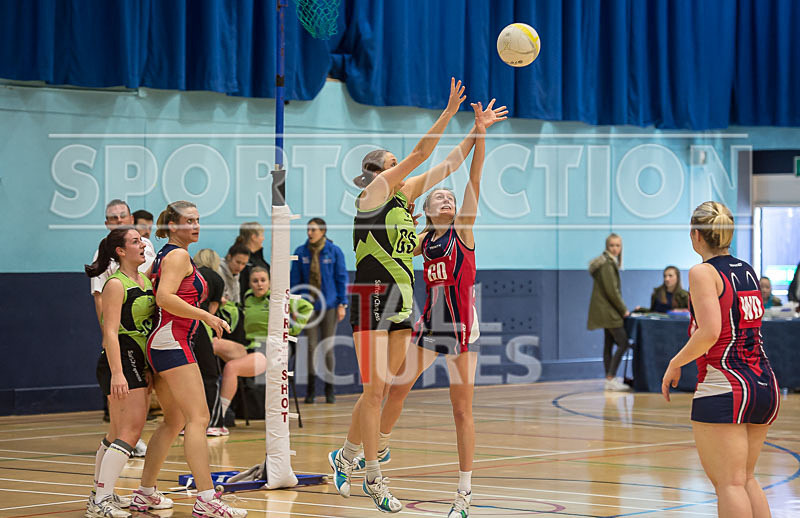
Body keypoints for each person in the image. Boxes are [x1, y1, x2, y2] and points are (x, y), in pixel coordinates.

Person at [327, 78, 507, 513]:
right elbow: (424, 154)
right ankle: (373, 474)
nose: (402, 167)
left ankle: (349, 454)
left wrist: (476, 129)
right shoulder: (372, 196)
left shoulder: (411, 208)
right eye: (394, 163)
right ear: (378, 172)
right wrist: (448, 112)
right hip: (373, 294)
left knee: (385, 389)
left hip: (405, 303)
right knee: (377, 393)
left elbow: (449, 164)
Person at [662, 201, 780, 518]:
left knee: (729, 484)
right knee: (745, 479)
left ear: (695, 235)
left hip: (726, 382)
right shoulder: (747, 270)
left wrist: (675, 363)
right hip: (763, 381)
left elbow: (710, 332)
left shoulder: (702, 272)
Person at [133, 201, 247, 517]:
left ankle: (145, 492)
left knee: (174, 420)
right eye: (188, 221)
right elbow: (164, 298)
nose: (195, 226)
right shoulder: (178, 255)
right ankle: (207, 498)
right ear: (171, 225)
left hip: (166, 341)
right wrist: (206, 317)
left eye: (198, 220)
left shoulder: (170, 254)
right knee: (199, 418)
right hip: (172, 341)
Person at [84, 228, 166, 518]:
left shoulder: (143, 279)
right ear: (120, 251)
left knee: (116, 432)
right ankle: (100, 502)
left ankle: (100, 493)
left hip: (136, 360)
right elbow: (110, 330)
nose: (143, 244)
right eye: (135, 241)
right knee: (130, 432)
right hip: (119, 359)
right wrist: (118, 373)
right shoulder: (115, 285)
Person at [90, 200, 154, 449]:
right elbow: (100, 300)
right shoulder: (106, 260)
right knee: (119, 393)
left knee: (142, 395)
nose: (118, 220)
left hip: (144, 337)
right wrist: (108, 337)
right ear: (107, 223)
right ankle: (123, 439)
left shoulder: (145, 248)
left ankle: (103, 484)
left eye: (122, 216)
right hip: (123, 337)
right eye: (113, 218)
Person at [218, 267, 313, 417]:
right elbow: (234, 309)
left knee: (231, 368)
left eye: (263, 280)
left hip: (269, 349)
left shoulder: (277, 299)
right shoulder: (247, 297)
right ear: (249, 284)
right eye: (255, 281)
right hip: (250, 347)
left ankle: (220, 415)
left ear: (269, 282)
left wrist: (291, 330)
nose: (259, 284)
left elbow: (307, 307)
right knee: (214, 345)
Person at [291, 218, 348, 404]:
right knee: (310, 347)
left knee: (328, 347)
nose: (310, 233)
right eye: (308, 229)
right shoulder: (300, 252)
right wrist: (294, 306)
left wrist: (342, 304)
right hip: (308, 307)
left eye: (313, 230)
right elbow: (295, 282)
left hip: (330, 305)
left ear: (323, 231)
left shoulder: (335, 251)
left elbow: (341, 278)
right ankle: (311, 390)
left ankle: (329, 389)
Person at [587, 233, 631, 391]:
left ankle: (609, 378)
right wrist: (623, 309)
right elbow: (612, 291)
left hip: (604, 310)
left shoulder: (608, 262)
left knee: (608, 344)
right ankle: (611, 377)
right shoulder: (607, 264)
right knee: (624, 342)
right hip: (609, 311)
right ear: (607, 247)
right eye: (612, 245)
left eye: (617, 245)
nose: (615, 249)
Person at [193, 249, 228, 435]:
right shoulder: (216, 279)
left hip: (178, 326)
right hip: (200, 326)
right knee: (210, 374)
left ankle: (188, 423)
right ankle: (214, 423)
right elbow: (211, 313)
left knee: (189, 375)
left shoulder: (190, 275)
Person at [236, 222, 270, 300]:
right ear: (254, 237)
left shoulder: (260, 260)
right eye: (262, 235)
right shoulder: (240, 261)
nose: (263, 238)